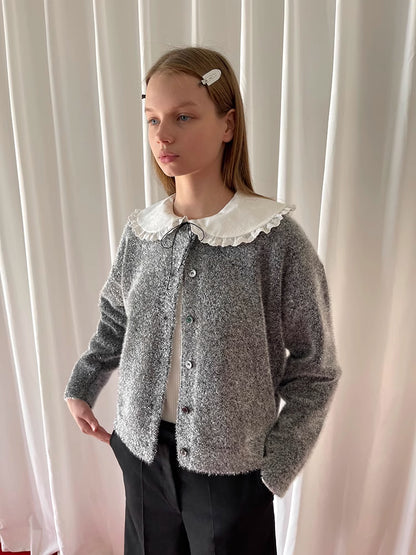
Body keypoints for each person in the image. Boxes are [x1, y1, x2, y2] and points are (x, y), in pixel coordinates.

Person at [64, 46, 342, 555]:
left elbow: (316, 369)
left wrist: (274, 468)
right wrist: (83, 384)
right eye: (153, 119)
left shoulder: (274, 241)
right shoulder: (142, 233)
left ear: (227, 124)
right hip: (141, 455)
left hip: (233, 473)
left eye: (183, 117)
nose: (162, 136)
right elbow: (115, 320)